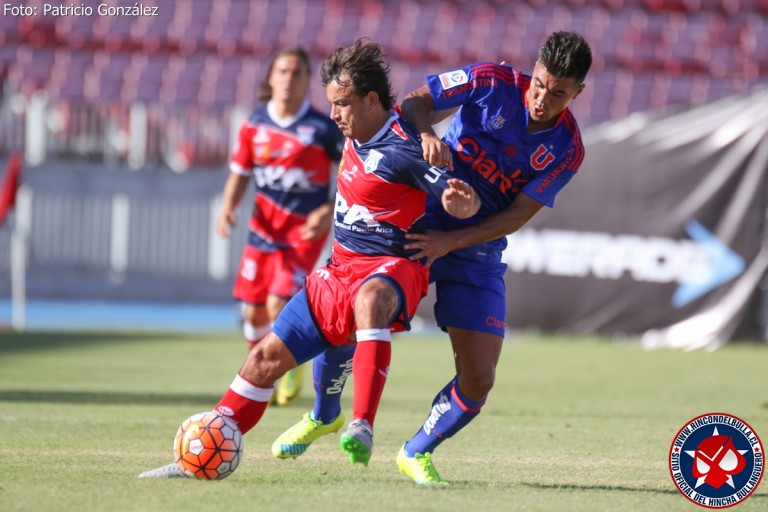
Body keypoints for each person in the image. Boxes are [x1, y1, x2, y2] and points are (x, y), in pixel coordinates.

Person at [138, 38, 481, 478]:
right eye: (331, 105)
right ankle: (196, 455)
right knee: (262, 359)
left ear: (370, 100)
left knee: (369, 303)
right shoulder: (351, 132)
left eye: (342, 105)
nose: (334, 115)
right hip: (337, 272)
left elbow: (453, 198)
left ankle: (362, 424)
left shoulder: (407, 147)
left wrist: (461, 202)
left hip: (391, 269)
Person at [272, 31, 592, 485]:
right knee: (354, 306)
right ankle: (326, 414)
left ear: (577, 92)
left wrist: (451, 244)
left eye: (558, 93)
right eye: (539, 84)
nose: (542, 98)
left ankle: (416, 450)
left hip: (474, 248)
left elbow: (518, 214)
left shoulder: (569, 149)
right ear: (534, 69)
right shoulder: (491, 80)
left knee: (480, 377)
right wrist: (425, 136)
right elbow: (416, 102)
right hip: (420, 221)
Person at [218, 47, 343, 406]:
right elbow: (240, 173)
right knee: (253, 311)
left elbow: (353, 169)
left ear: (307, 82)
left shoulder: (321, 128)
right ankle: (261, 371)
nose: (289, 79)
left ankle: (289, 367)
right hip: (262, 234)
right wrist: (227, 207)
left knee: (277, 303)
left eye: (297, 73)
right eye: (283, 71)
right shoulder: (255, 124)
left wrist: (328, 208)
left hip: (302, 234)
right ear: (271, 78)